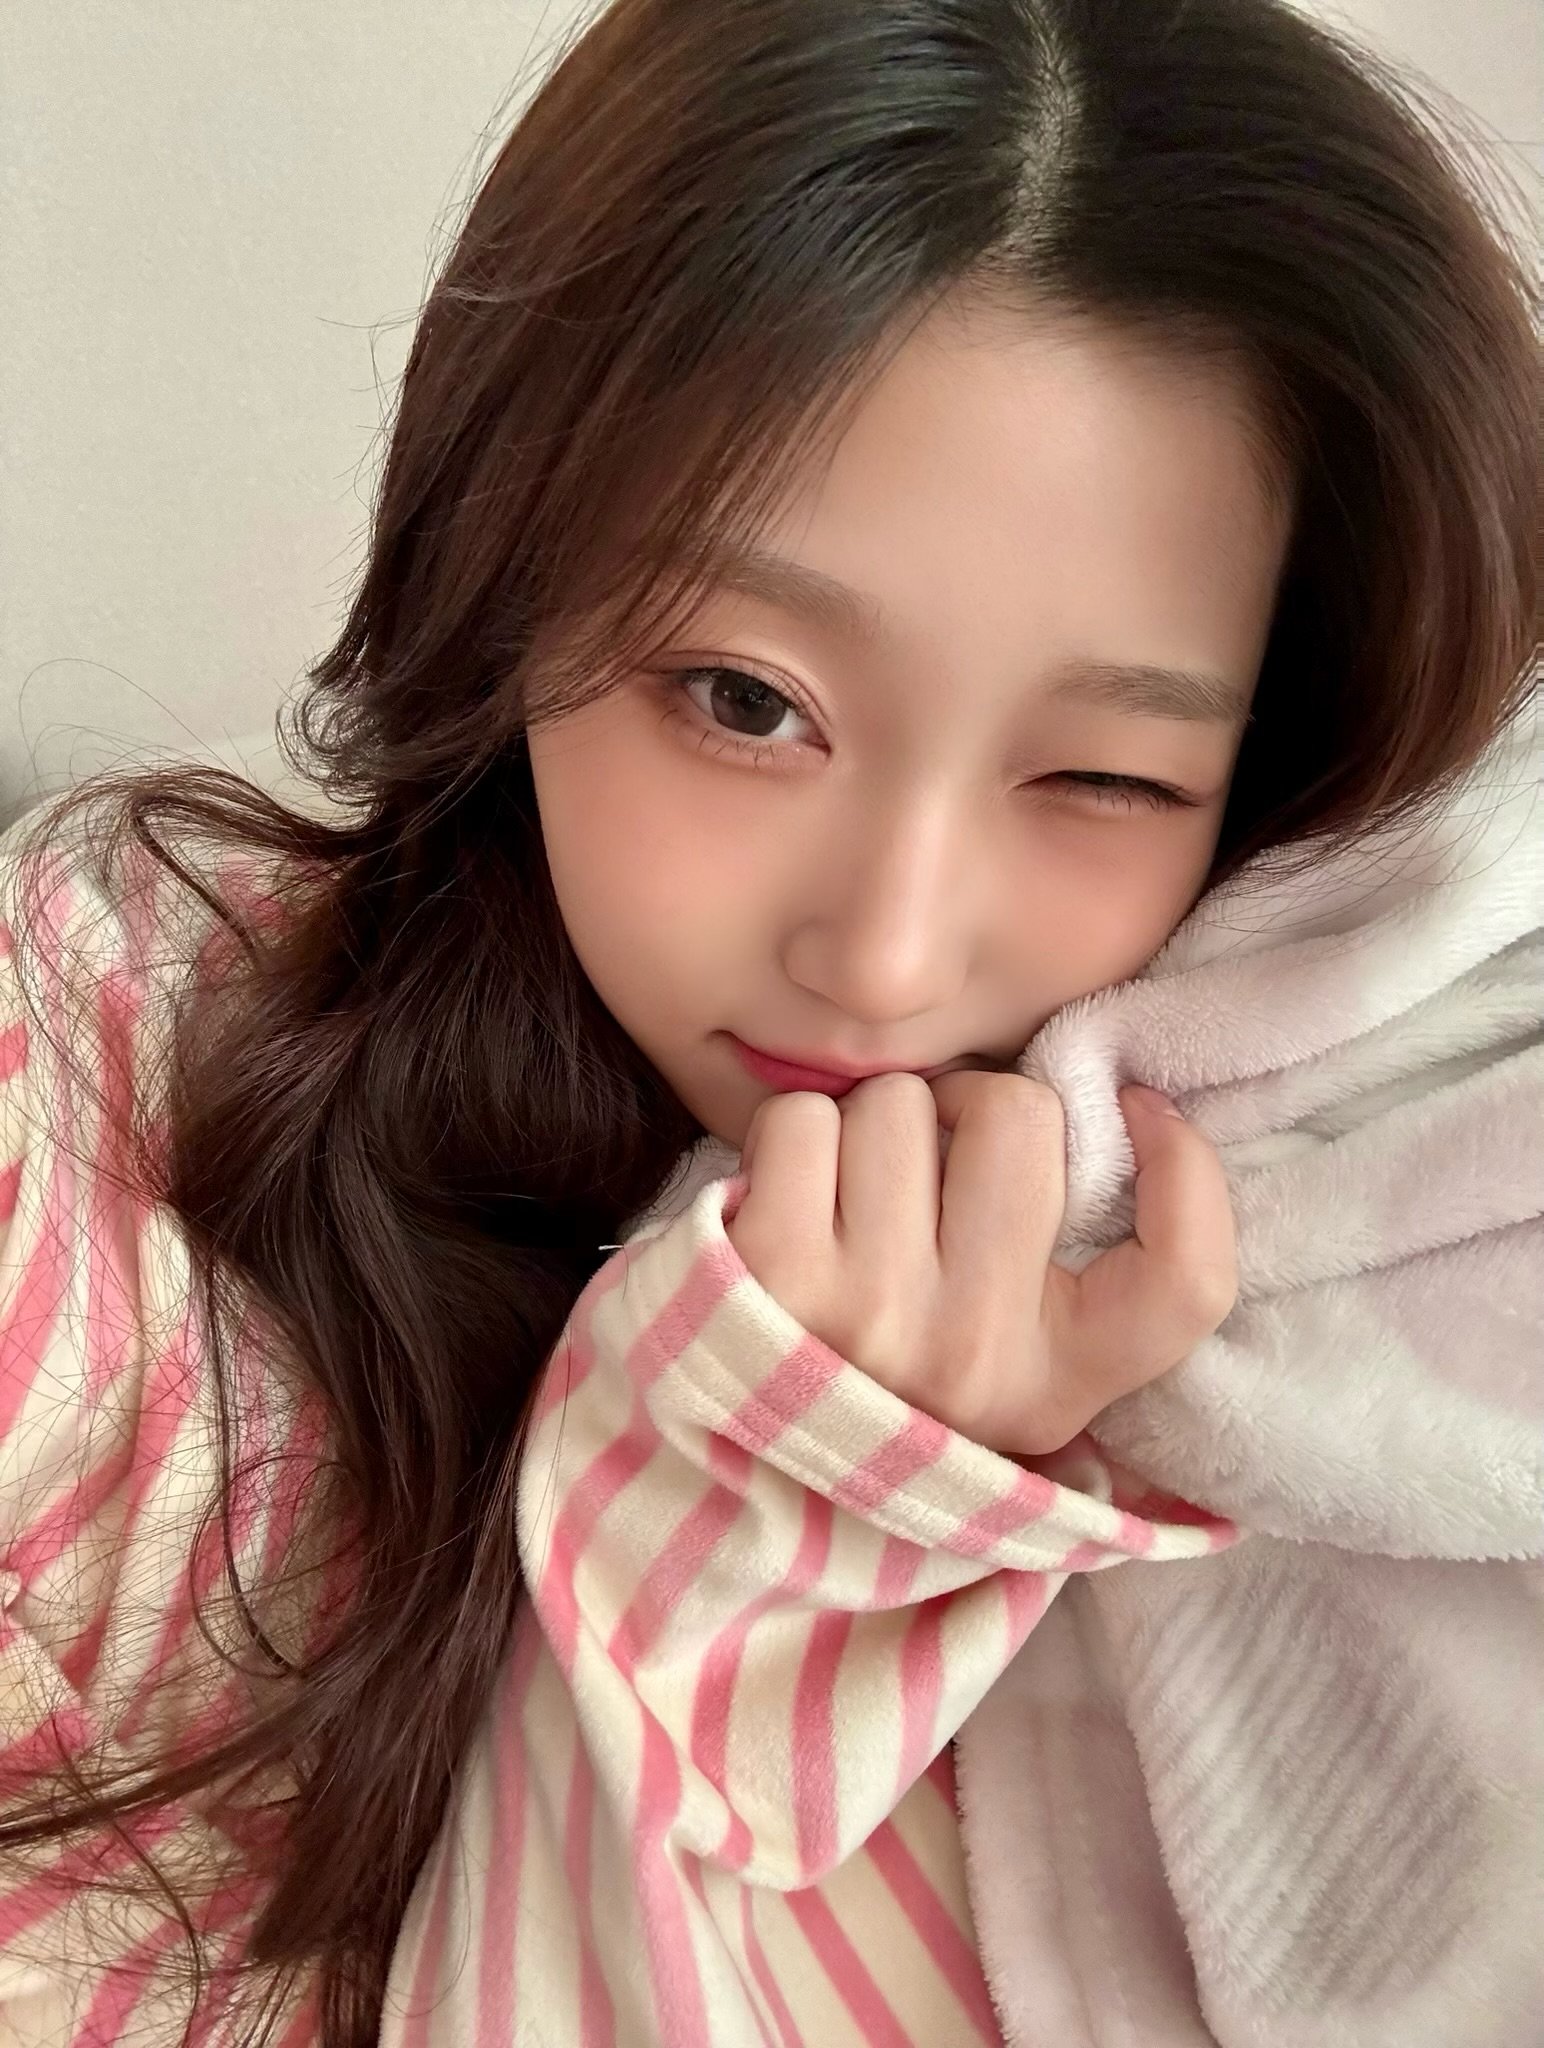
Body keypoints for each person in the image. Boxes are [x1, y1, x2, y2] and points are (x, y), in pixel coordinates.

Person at [0, 0, 1535, 2042]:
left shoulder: (1323, 1245)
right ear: (505, 586)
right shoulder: (101, 1138)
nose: (886, 959)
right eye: (745, 701)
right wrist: (782, 1489)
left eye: (1102, 777)